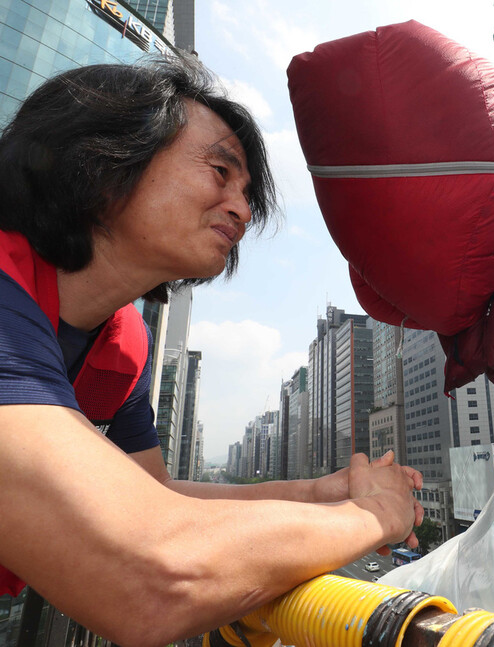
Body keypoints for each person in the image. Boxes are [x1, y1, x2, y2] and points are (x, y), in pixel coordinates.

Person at [0, 57, 423, 645]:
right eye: (220, 172)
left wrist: (318, 493)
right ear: (101, 161)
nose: (243, 210)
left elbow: (152, 497)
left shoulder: (124, 344)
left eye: (246, 193)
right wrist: (378, 515)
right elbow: (149, 574)